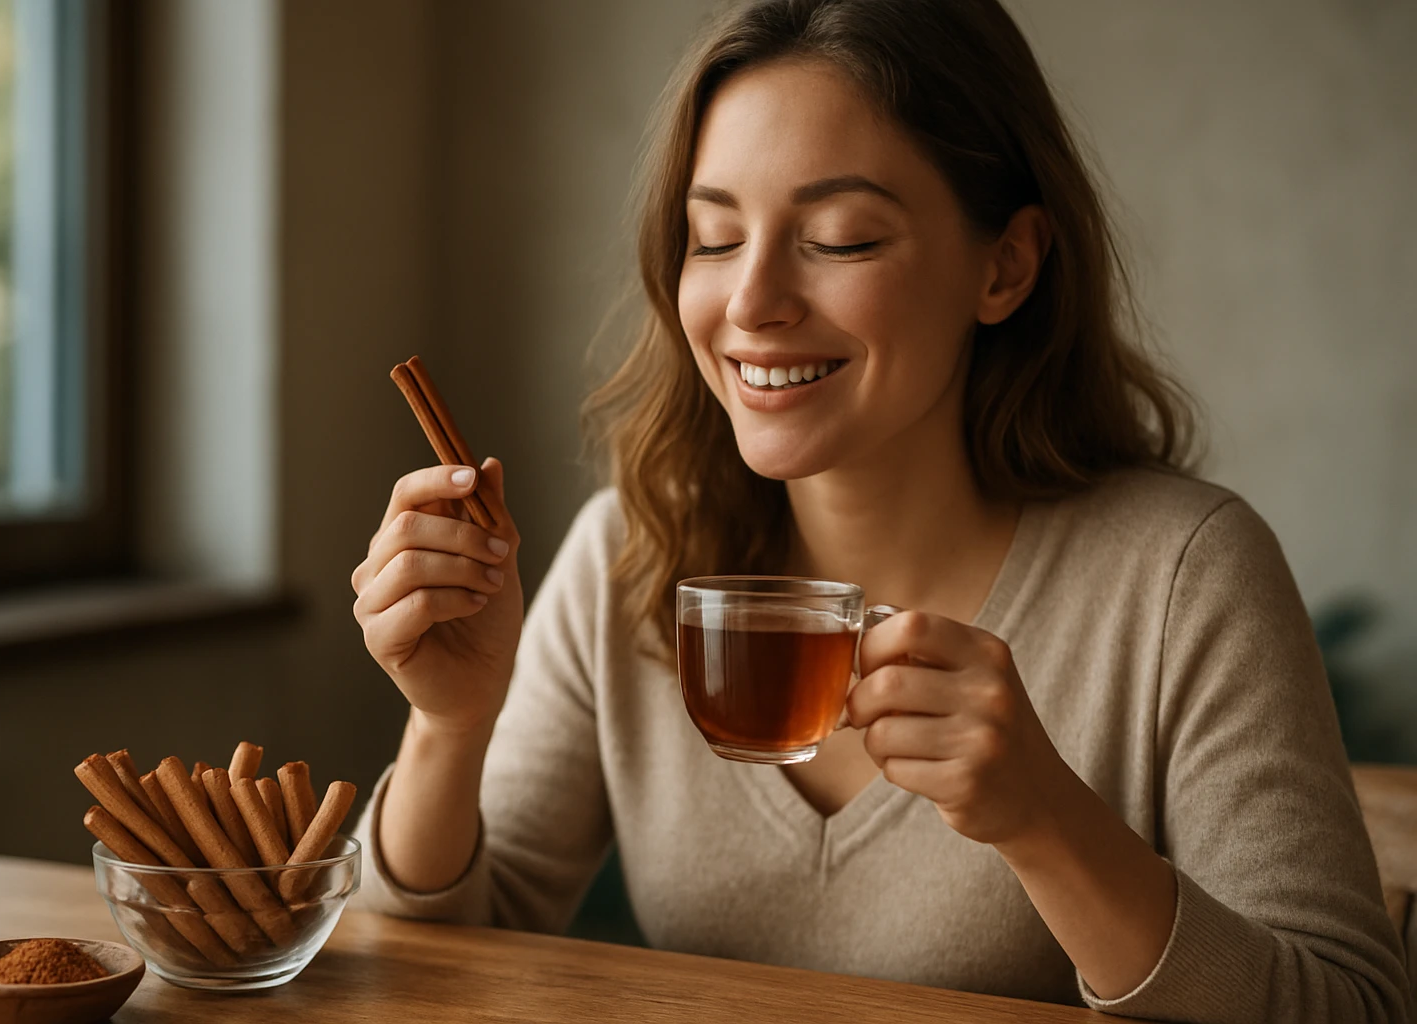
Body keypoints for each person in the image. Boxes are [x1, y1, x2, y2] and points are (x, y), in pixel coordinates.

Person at [347, 0, 1409, 1019]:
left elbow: (1348, 1004)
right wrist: (452, 724)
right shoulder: (632, 551)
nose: (752, 301)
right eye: (713, 237)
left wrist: (1048, 821)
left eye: (843, 239)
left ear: (1006, 266)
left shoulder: (1186, 577)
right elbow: (420, 965)